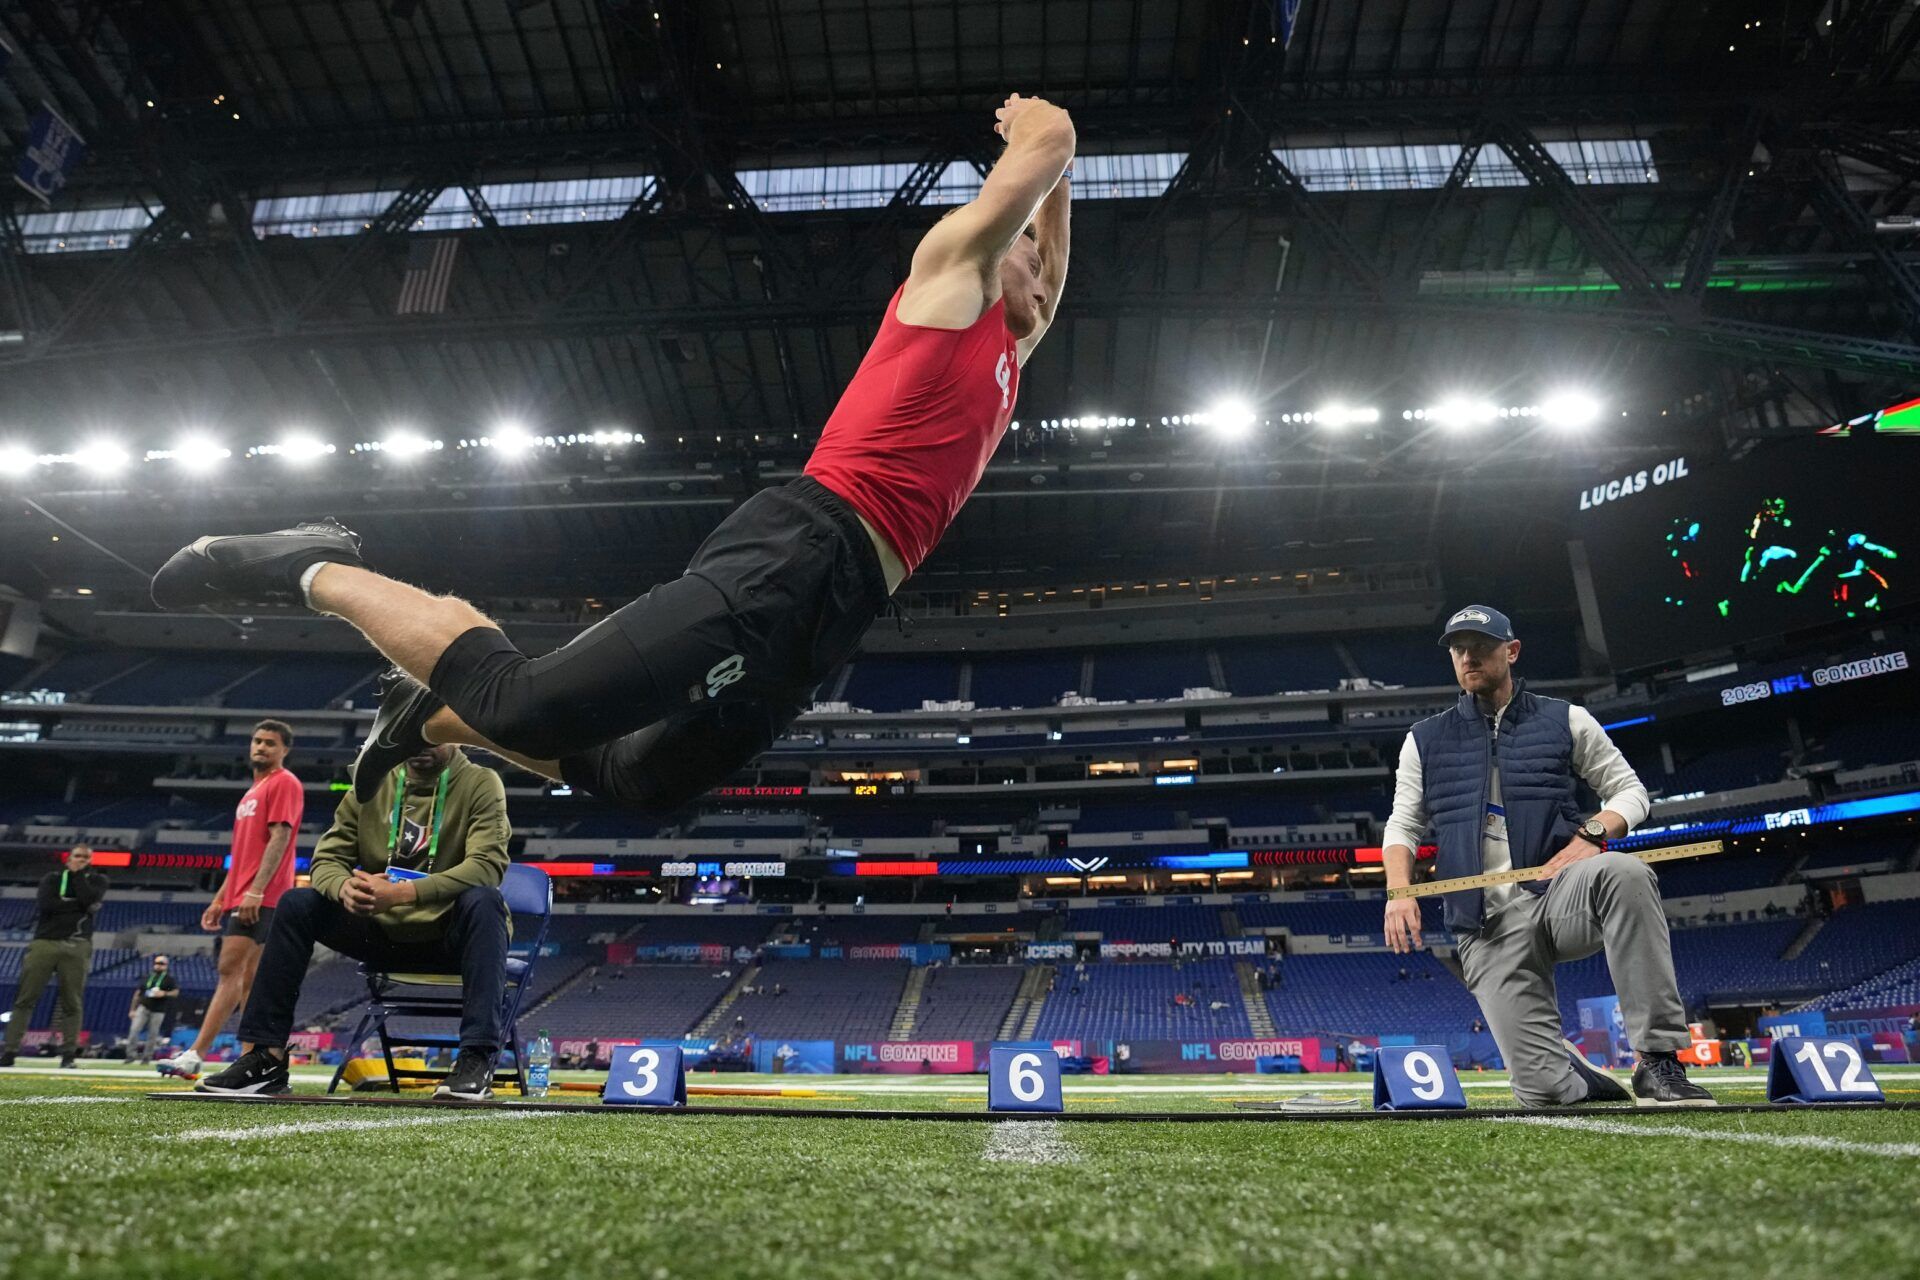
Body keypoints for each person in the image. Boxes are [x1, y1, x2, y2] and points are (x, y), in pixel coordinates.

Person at [148, 93, 1074, 817]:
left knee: (646, 779)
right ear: (997, 251)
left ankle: (426, 711)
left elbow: (1058, 258)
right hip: (802, 547)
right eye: (1024, 245)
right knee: (531, 709)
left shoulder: (1008, 355)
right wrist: (1041, 132)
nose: (1039, 260)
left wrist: (1058, 188)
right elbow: (1046, 149)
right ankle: (313, 563)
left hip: (845, 600)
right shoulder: (953, 277)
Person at [1381, 605, 1713, 1107]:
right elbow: (1403, 825)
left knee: (1625, 872)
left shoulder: (1566, 718)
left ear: (1511, 651)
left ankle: (1658, 1061)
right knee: (1544, 1092)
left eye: (1481, 646)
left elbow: (1630, 793)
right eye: (1458, 648)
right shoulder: (1424, 739)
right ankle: (1571, 1071)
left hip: (1560, 893)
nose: (1468, 656)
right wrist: (1399, 892)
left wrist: (1592, 835)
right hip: (1485, 920)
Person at [195, 743, 511, 1101]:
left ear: (454, 737)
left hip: (448, 937)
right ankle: (266, 1057)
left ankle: (476, 1058)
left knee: (485, 900)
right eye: (412, 734)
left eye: (431, 735)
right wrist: (344, 887)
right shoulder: (371, 782)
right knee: (297, 903)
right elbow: (326, 860)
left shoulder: (481, 782)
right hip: (381, 933)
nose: (419, 744)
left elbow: (487, 867)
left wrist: (403, 893)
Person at [166, 720, 304, 1079]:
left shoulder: (284, 782)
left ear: (284, 750)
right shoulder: (252, 791)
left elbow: (279, 839)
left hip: (264, 895)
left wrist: (256, 890)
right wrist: (219, 898)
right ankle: (251, 1057)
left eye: (270, 743)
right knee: (248, 978)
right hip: (245, 895)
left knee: (234, 970)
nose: (261, 748)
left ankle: (197, 1053)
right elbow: (243, 854)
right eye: (257, 741)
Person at [0, 844, 107, 1067]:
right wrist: (79, 906)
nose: (81, 860)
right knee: (25, 998)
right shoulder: (52, 879)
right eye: (77, 856)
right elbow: (46, 905)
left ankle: (68, 1055)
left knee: (72, 1001)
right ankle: (9, 1051)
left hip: (77, 945)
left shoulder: (98, 881)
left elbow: (88, 900)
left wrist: (78, 880)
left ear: (91, 860)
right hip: (45, 943)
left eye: (86, 858)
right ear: (68, 859)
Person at [125, 954, 179, 1064]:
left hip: (158, 1010)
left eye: (161, 964)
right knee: (134, 1031)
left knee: (152, 1035)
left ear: (166, 966)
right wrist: (132, 1009)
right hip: (143, 1007)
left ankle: (146, 1058)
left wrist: (164, 993)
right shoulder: (147, 977)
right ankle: (130, 1055)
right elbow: (137, 994)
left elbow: (175, 992)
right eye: (157, 963)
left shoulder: (169, 979)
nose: (158, 966)